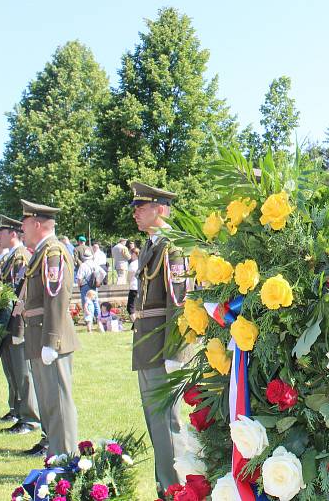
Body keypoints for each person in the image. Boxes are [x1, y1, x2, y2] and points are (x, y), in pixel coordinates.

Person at [130, 181, 190, 493]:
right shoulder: (152, 247)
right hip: (148, 347)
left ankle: (176, 489)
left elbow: (178, 304)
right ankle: (165, 486)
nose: (136, 213)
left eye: (142, 206)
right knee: (156, 422)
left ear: (161, 209)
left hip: (161, 350)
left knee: (167, 423)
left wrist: (175, 354)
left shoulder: (172, 248)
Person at [16, 199, 79, 457]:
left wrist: (51, 340)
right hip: (39, 334)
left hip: (50, 336)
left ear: (37, 223)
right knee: (48, 403)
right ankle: (57, 454)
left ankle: (66, 458)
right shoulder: (42, 252)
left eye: (25, 223)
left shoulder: (53, 252)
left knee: (59, 404)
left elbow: (56, 296)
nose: (22, 229)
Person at [0, 216, 41, 438]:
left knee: (23, 374)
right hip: (8, 323)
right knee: (13, 372)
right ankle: (18, 411)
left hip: (17, 323)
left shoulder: (21, 256)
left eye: (1, 233)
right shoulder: (10, 258)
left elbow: (18, 291)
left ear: (12, 234)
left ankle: (30, 418)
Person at [76, 248, 106, 319]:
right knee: (95, 302)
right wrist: (99, 281)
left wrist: (79, 285)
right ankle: (98, 317)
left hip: (85, 285)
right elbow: (103, 273)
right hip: (94, 285)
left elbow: (79, 278)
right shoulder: (95, 264)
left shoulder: (83, 265)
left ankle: (89, 318)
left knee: (86, 302)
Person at [126, 247, 140, 317]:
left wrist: (128, 283)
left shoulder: (133, 264)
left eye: (131, 254)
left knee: (130, 307)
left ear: (134, 254)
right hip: (140, 286)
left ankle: (135, 323)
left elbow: (129, 277)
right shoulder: (141, 262)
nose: (130, 255)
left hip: (134, 287)